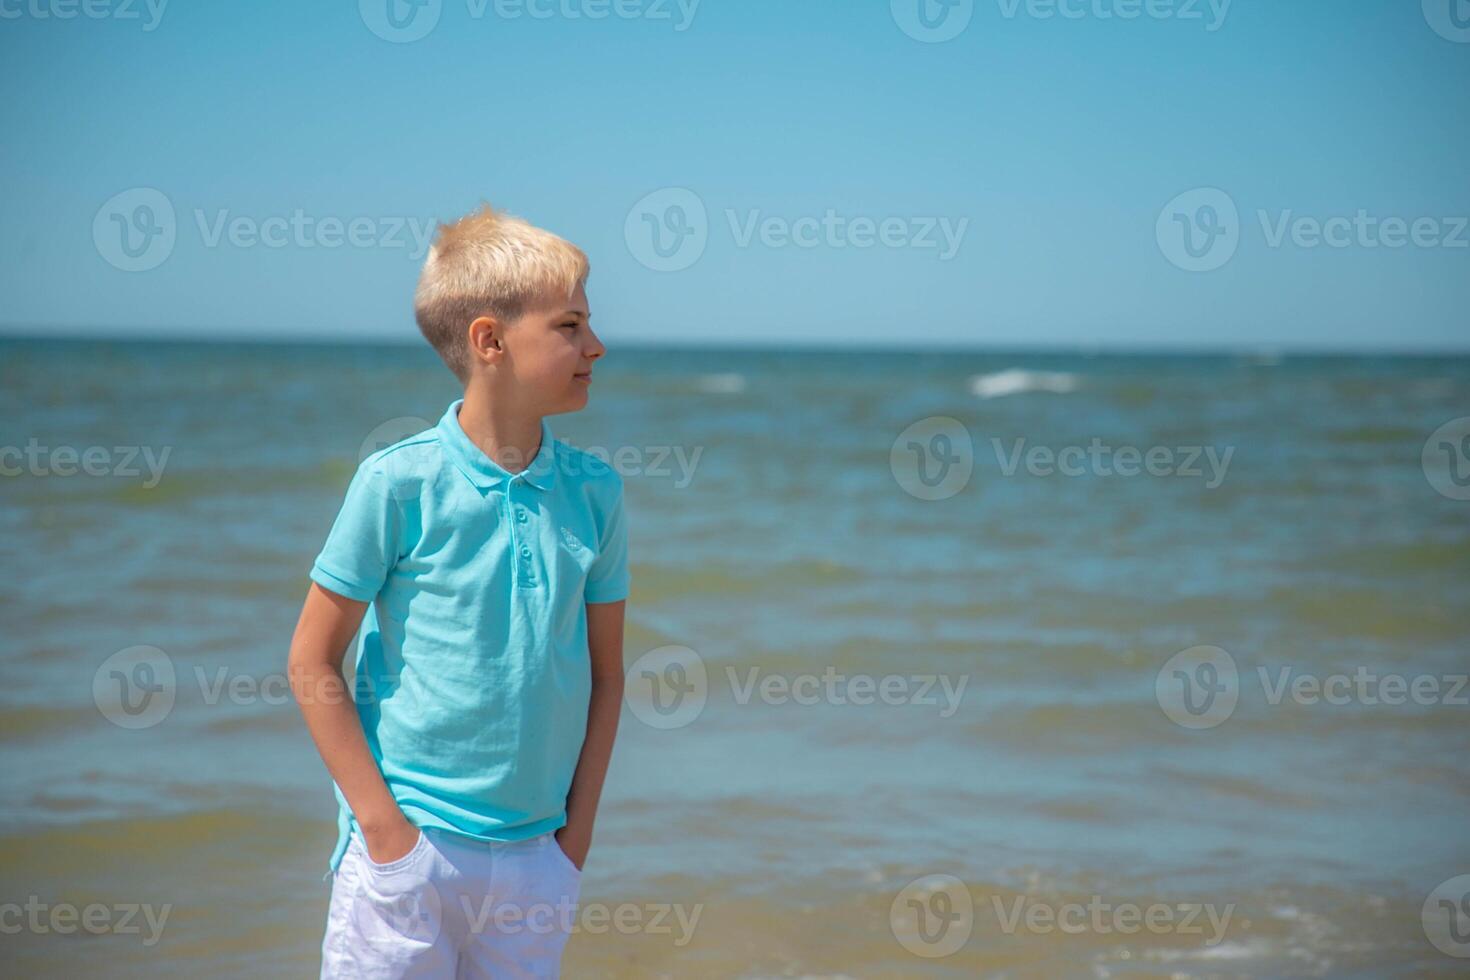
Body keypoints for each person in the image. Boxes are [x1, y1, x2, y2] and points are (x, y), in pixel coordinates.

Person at [288, 203, 629, 978]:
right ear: (490, 341)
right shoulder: (398, 481)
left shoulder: (596, 492)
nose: (596, 346)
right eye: (570, 325)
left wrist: (571, 847)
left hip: (538, 860)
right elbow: (312, 661)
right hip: (409, 855)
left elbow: (609, 676)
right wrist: (385, 836)